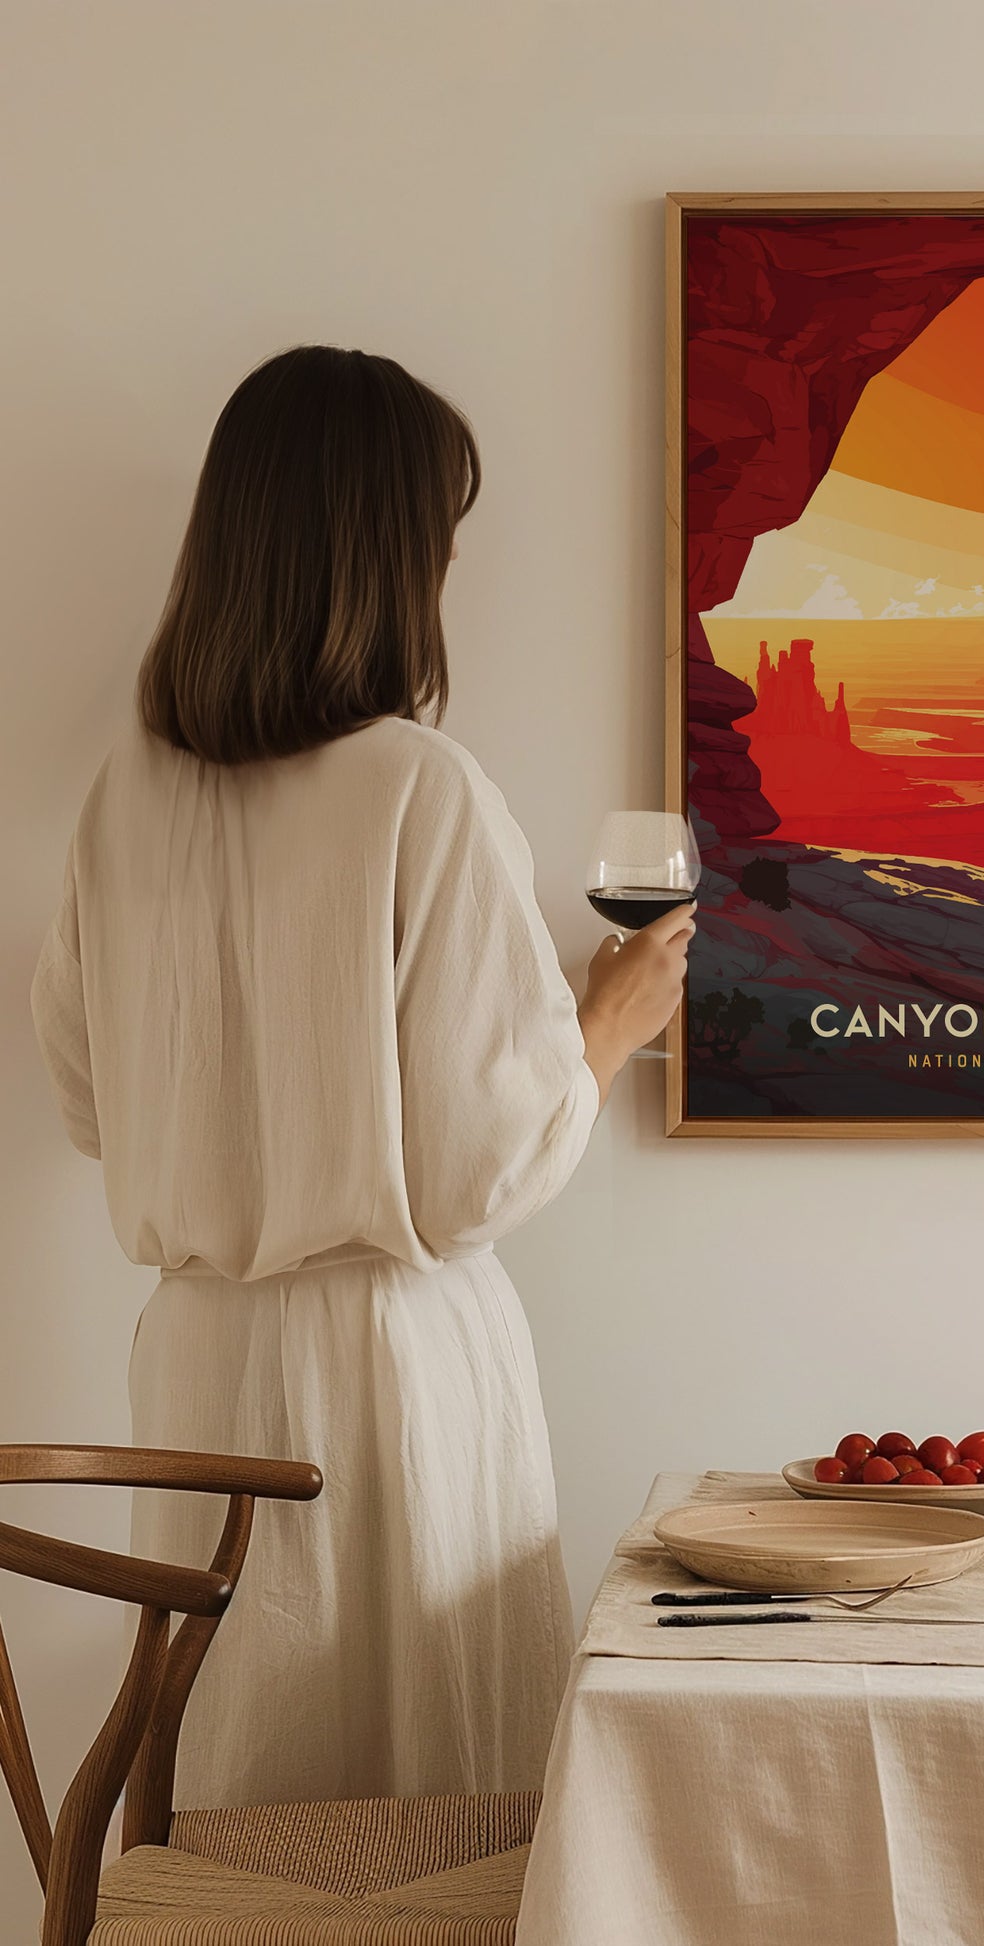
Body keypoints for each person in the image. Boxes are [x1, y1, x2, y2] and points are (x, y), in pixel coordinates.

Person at [29, 345, 690, 1806]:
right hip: (391, 1371)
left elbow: (87, 1100)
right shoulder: (417, 785)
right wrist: (606, 1020)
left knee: (241, 1789)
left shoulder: (122, 797)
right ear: (388, 556)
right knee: (423, 1809)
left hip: (197, 1360)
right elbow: (474, 1173)